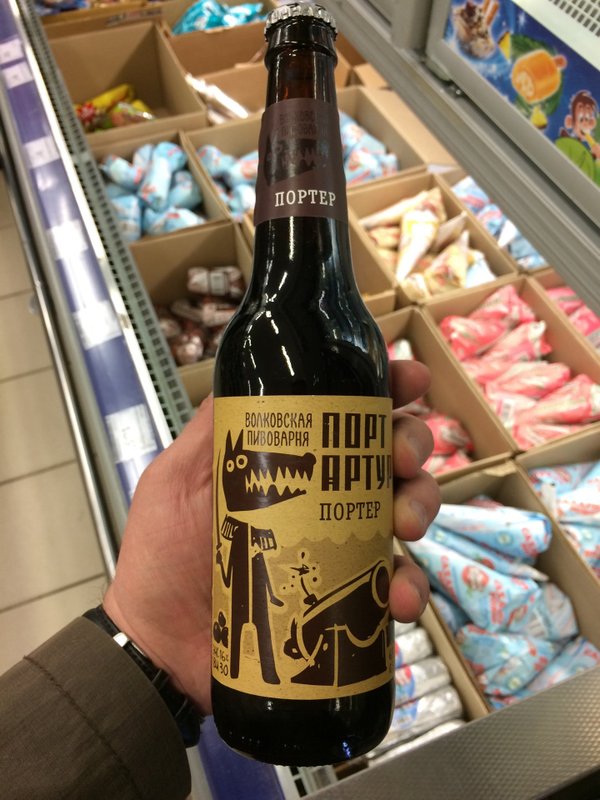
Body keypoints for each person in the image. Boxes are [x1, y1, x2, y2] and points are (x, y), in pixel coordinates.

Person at [0, 360, 440, 800]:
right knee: (260, 631)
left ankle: (283, 664)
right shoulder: (237, 517)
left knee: (271, 630)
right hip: (244, 598)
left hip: (272, 607)